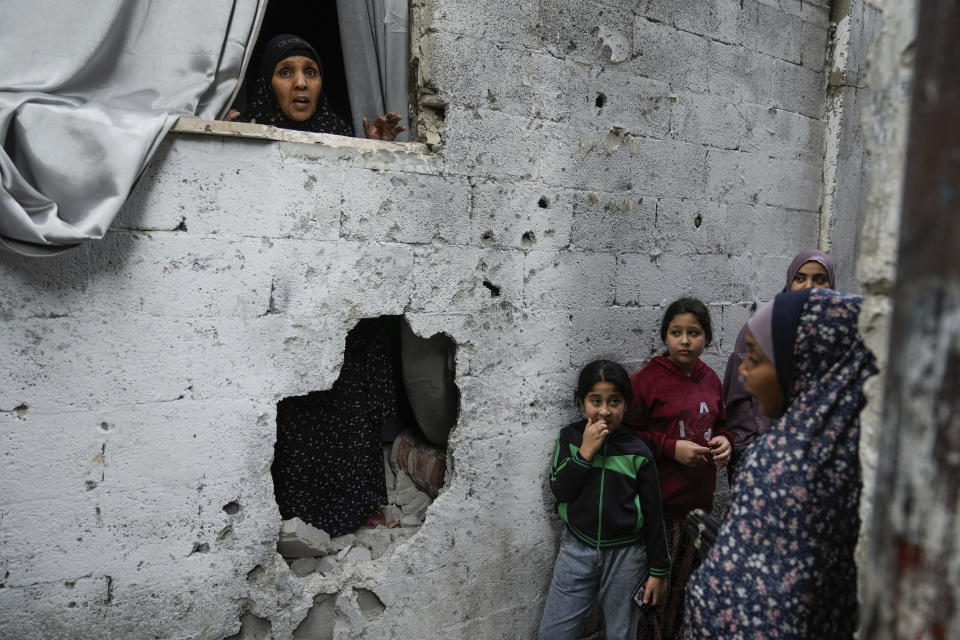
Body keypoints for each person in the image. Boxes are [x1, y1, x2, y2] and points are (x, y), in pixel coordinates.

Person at [685, 288, 877, 639]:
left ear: (804, 363)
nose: (742, 373)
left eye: (755, 359)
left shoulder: (787, 463)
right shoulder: (856, 451)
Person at [539, 360, 670, 640]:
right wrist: (585, 452)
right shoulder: (570, 439)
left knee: (621, 633)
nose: (604, 411)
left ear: (626, 404)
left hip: (627, 557)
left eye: (614, 401)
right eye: (595, 401)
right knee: (554, 633)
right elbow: (561, 490)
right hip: (576, 550)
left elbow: (654, 514)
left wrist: (659, 570)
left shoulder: (638, 452)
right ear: (580, 402)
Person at [626, 298, 732, 640]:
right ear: (665, 336)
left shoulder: (711, 380)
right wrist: (671, 448)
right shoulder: (648, 380)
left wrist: (725, 442)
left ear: (707, 338)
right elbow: (627, 437)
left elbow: (722, 425)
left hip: (697, 513)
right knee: (653, 599)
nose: (685, 341)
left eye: (694, 333)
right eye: (676, 332)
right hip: (659, 513)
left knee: (687, 598)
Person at [722, 250, 836, 480]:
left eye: (819, 279)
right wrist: (750, 450)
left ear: (831, 284)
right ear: (789, 281)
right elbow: (738, 397)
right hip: (759, 454)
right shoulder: (763, 327)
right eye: (800, 278)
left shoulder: (837, 333)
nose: (809, 286)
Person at [226, 33, 406, 140]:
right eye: (285, 72)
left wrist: (375, 153)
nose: (301, 83)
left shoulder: (339, 136)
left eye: (310, 72)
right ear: (268, 86)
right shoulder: (246, 131)